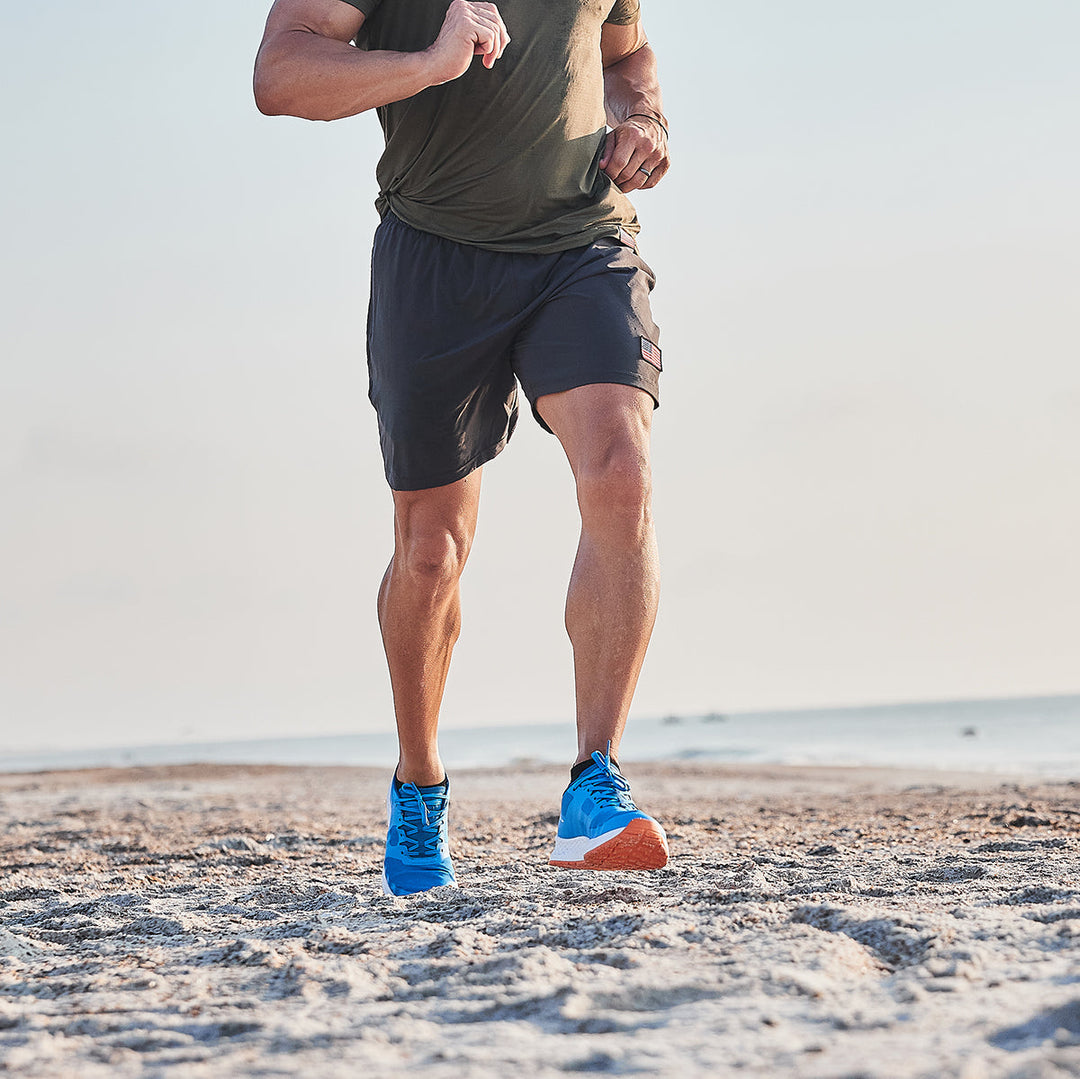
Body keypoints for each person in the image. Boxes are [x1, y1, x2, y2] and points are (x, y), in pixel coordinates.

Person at [254, 0, 672, 896]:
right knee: (432, 551)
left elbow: (626, 56)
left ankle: (595, 784)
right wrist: (432, 63)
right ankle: (420, 781)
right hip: (436, 256)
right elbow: (281, 76)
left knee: (623, 472)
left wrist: (644, 120)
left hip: (581, 241)